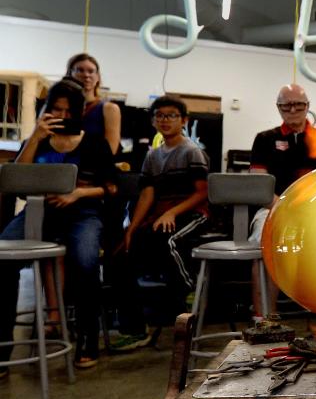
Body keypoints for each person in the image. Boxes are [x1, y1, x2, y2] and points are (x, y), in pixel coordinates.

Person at [0, 79, 116, 370]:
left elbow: (112, 187)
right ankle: (2, 344)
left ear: (78, 113)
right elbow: (16, 177)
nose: (62, 116)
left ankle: (88, 338)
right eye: (56, 109)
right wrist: (35, 138)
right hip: (39, 210)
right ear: (47, 110)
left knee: (86, 260)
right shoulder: (37, 140)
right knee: (3, 258)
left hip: (83, 211)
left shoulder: (93, 142)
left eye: (68, 111)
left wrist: (77, 192)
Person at [112, 96, 210, 349]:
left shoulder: (192, 151)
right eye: (160, 116)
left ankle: (188, 293)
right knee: (121, 255)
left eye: (172, 115)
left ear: (184, 120)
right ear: (153, 120)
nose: (165, 120)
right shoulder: (153, 156)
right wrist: (132, 228)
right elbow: (147, 194)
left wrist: (172, 213)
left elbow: (202, 193)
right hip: (160, 218)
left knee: (168, 241)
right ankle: (134, 328)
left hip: (193, 215)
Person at [248, 83, 316, 314]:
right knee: (263, 244)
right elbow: (258, 185)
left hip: (315, 212)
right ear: (278, 108)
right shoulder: (264, 139)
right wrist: (283, 208)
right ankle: (264, 318)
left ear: (307, 106)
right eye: (286, 105)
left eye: (298, 104)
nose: (293, 109)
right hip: (272, 209)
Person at [66, 53, 122, 155]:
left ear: (98, 77)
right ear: (70, 74)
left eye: (91, 71)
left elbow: (110, 151)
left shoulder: (109, 109)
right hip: (64, 166)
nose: (86, 75)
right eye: (80, 70)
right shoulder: (62, 108)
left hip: (93, 168)